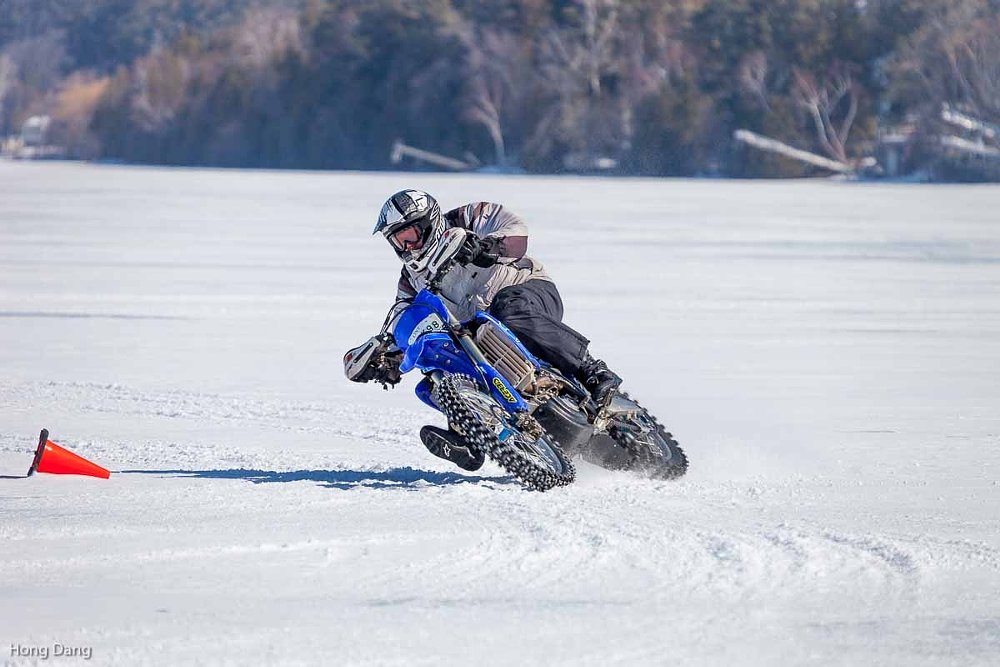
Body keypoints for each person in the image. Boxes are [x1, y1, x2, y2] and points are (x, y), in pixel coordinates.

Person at [345, 189, 621, 471]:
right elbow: (406, 319)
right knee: (438, 367)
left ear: (428, 223)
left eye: (409, 236)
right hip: (480, 336)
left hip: (526, 292)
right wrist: (386, 358)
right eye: (397, 242)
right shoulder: (410, 280)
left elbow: (517, 234)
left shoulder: (468, 218)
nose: (406, 248)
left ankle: (592, 370)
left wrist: (489, 247)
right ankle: (469, 437)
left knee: (507, 309)